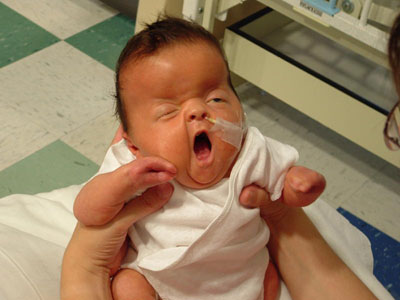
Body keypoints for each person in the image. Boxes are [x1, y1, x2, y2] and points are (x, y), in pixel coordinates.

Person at [61, 10, 400, 300]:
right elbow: (86, 210)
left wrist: (300, 183)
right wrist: (121, 184)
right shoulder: (132, 164)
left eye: (216, 99)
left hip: (242, 276)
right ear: (134, 143)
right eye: (168, 112)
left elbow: (284, 179)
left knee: (270, 273)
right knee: (126, 286)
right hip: (164, 280)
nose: (197, 111)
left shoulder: (249, 150)